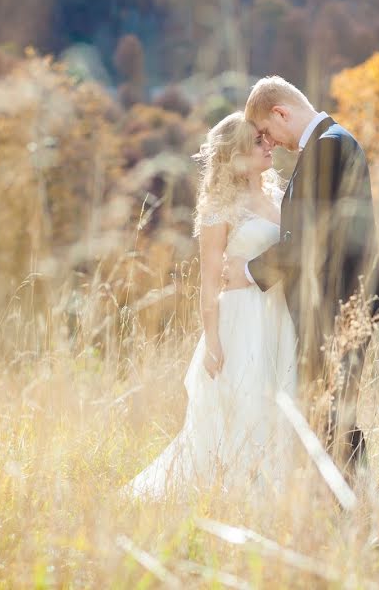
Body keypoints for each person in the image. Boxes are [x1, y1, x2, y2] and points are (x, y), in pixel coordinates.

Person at [126, 112, 298, 500]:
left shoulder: (279, 196)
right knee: (246, 405)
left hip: (278, 315)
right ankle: (240, 494)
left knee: (279, 402)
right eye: (257, 142)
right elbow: (207, 285)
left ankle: (277, 490)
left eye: (266, 138)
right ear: (235, 155)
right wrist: (213, 341)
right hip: (241, 320)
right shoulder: (220, 209)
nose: (268, 144)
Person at [225, 76, 379, 477]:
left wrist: (248, 271)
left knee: (331, 415)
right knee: (328, 413)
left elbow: (307, 238)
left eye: (266, 132)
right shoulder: (325, 144)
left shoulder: (328, 147)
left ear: (281, 113)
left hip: (339, 305)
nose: (270, 142)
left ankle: (356, 506)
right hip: (332, 304)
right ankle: (351, 505)